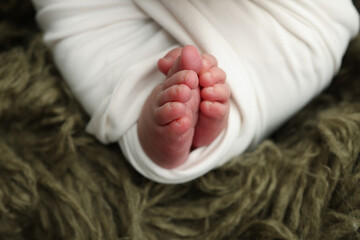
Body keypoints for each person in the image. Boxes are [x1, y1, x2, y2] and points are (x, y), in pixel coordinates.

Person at [31, 0, 359, 183]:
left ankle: (207, 118)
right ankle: (151, 122)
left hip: (281, 18)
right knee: (90, 37)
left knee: (287, 59)